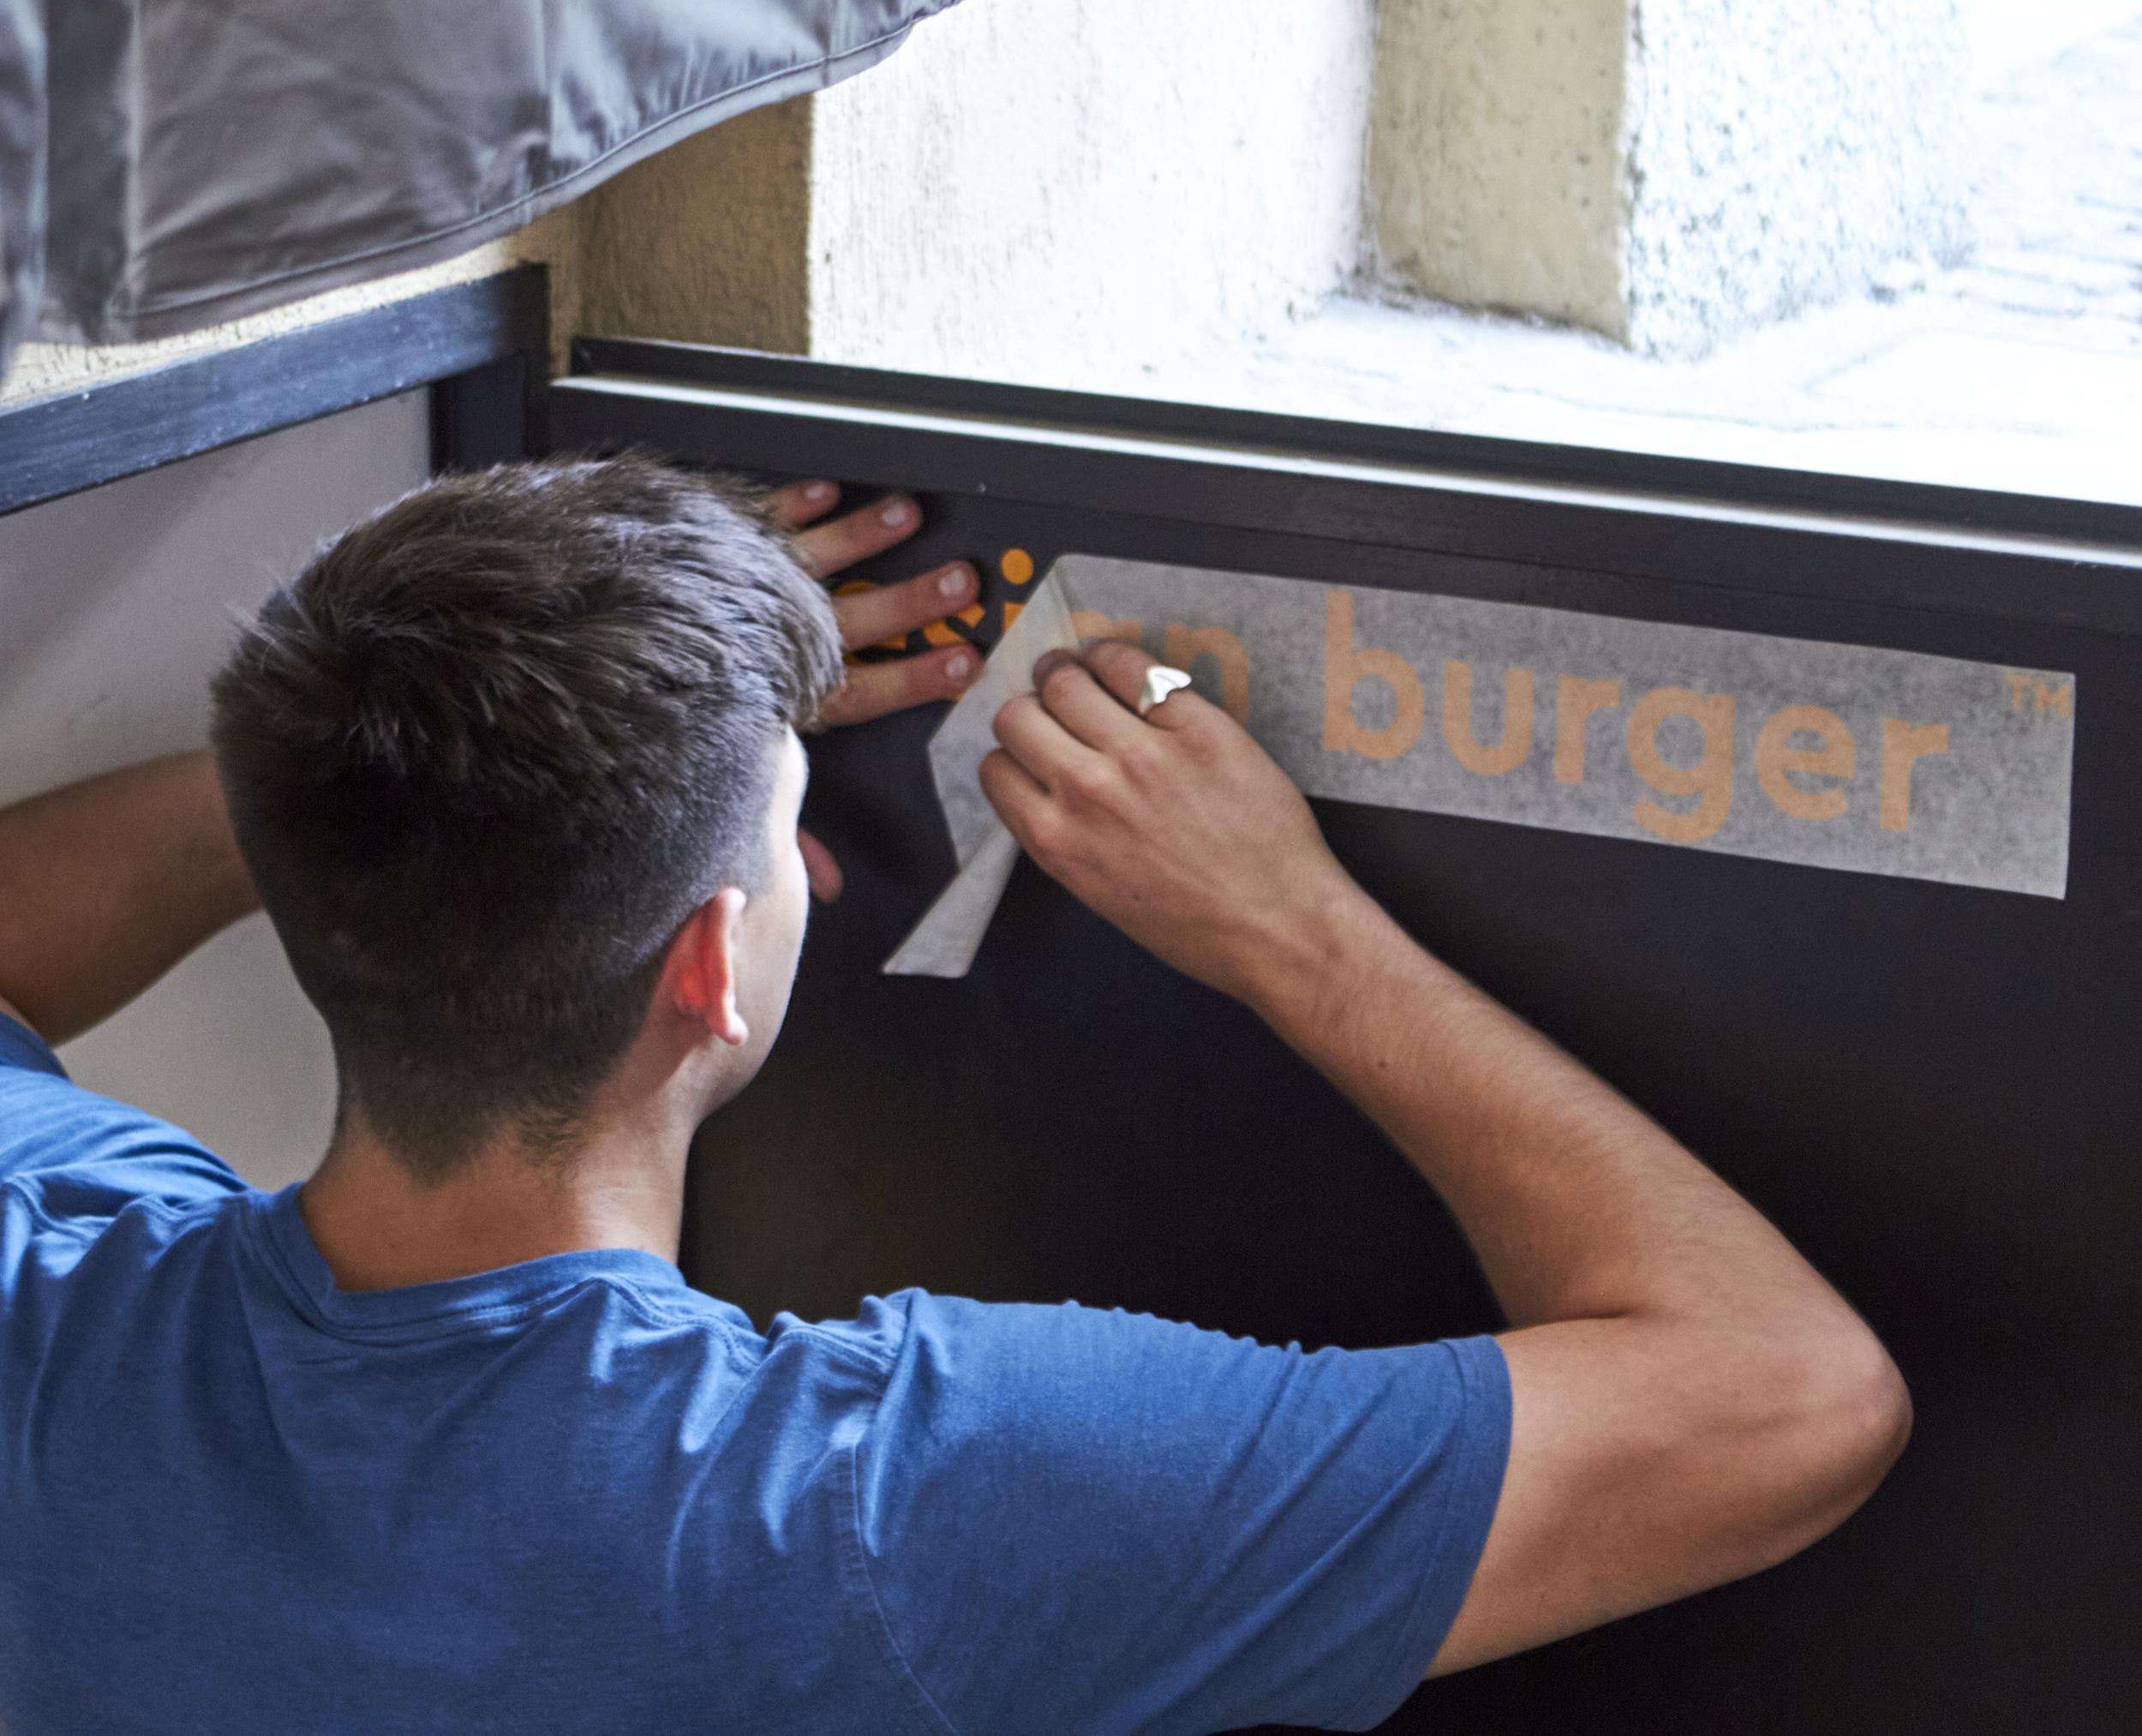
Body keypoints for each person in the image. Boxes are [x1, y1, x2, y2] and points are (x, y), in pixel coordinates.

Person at [0, 456, 1909, 1733]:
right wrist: (1294, 931)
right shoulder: (887, 1509)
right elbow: (1789, 1403)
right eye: (775, 824)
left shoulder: (44, 1300)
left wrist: (403, 784)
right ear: (710, 966)